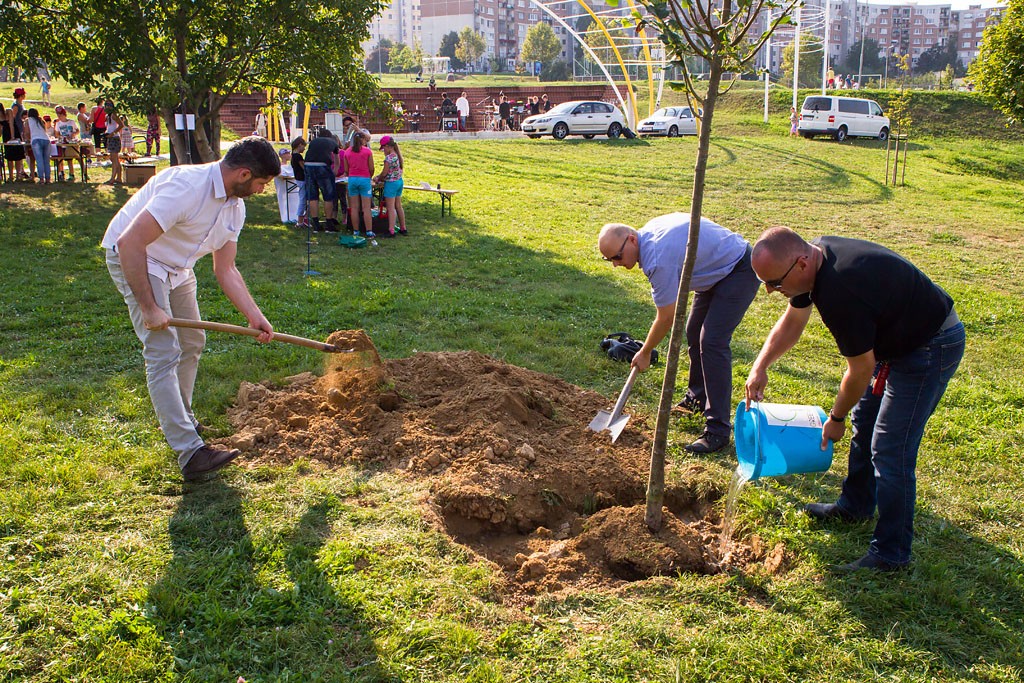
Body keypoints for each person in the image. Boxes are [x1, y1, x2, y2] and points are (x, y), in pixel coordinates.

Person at [744, 227, 965, 572]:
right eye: (766, 284)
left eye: (774, 282)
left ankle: (891, 554)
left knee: (891, 449)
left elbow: (860, 370)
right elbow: (794, 319)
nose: (772, 291)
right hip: (896, 342)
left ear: (801, 264)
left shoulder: (840, 291)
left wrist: (835, 418)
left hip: (930, 346)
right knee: (867, 423)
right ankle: (855, 505)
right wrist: (761, 365)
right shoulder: (814, 258)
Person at [100, 137, 280, 482]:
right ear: (244, 174)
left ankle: (180, 415)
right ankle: (190, 451)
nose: (261, 190)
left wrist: (254, 316)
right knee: (163, 351)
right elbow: (129, 243)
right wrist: (149, 306)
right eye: (261, 183)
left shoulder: (234, 207)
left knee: (192, 341)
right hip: (140, 258)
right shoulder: (187, 187)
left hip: (177, 266)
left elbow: (225, 269)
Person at [597, 215, 759, 453]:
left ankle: (718, 430)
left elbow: (666, 317)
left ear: (632, 240)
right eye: (609, 259)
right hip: (713, 271)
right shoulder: (647, 236)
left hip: (737, 269)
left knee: (712, 341)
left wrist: (645, 351)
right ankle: (696, 399)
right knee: (694, 331)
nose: (615, 264)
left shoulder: (657, 259)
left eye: (617, 257)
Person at [303, 128, 340, 233]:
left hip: (308, 166)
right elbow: (337, 160)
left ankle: (315, 224)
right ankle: (329, 223)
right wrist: (334, 171)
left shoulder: (313, 141)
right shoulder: (333, 142)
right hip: (323, 167)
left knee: (313, 196)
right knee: (328, 196)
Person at [343, 131, 375, 238]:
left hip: (352, 179)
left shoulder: (347, 152)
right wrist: (369, 176)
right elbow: (371, 168)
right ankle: (369, 230)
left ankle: (356, 230)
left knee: (354, 207)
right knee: (366, 208)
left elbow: (346, 169)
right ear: (363, 140)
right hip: (364, 179)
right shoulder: (367, 152)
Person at [373, 135, 406, 237]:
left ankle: (391, 230)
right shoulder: (397, 155)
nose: (383, 151)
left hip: (391, 184)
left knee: (390, 208)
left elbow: (384, 173)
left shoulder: (388, 158)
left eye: (383, 148)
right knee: (398, 206)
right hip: (399, 182)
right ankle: (403, 228)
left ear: (388, 146)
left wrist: (377, 178)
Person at [25, 108, 52, 185]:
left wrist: (27, 139)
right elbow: (44, 130)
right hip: (46, 140)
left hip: (36, 140)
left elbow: (27, 132)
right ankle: (48, 179)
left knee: (39, 160)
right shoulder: (41, 120)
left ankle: (41, 179)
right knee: (46, 161)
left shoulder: (28, 120)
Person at [53, 106, 79, 181]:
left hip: (70, 143)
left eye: (60, 115)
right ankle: (61, 173)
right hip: (62, 143)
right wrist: (62, 136)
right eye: (58, 115)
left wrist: (73, 134)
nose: (59, 117)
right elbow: (57, 134)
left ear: (64, 114)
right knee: (60, 158)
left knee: (69, 159)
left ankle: (71, 174)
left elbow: (77, 130)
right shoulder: (58, 124)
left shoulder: (71, 122)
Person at [8, 88, 28, 180]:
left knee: (22, 151)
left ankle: (21, 171)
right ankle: (19, 172)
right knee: (19, 151)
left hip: (21, 128)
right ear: (20, 96)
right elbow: (13, 117)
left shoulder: (21, 104)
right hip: (17, 129)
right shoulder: (16, 105)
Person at [103, 100, 125, 184]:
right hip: (110, 138)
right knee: (114, 159)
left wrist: (113, 133)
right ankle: (119, 178)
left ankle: (112, 178)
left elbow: (121, 125)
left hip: (115, 138)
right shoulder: (107, 116)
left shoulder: (113, 115)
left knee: (114, 158)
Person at [290, 136, 308, 227]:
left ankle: (303, 219)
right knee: (303, 199)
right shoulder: (298, 156)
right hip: (302, 179)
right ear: (299, 145)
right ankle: (300, 220)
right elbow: (304, 168)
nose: (304, 148)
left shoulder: (293, 155)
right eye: (303, 146)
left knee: (303, 199)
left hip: (298, 179)